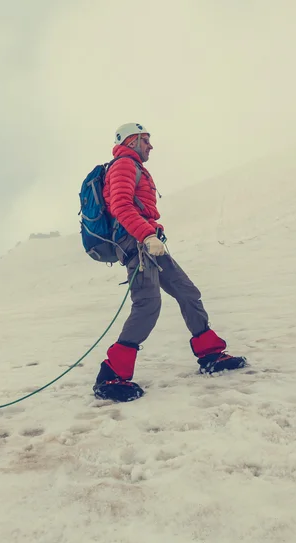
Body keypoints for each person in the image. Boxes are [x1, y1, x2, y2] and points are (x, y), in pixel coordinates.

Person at [93, 122, 247, 402]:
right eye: (146, 140)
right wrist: (146, 235)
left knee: (187, 292)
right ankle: (111, 375)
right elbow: (121, 206)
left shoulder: (134, 166)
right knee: (148, 303)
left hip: (148, 241)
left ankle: (210, 354)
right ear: (131, 141)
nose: (150, 145)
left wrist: (152, 234)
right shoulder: (124, 165)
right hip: (136, 242)